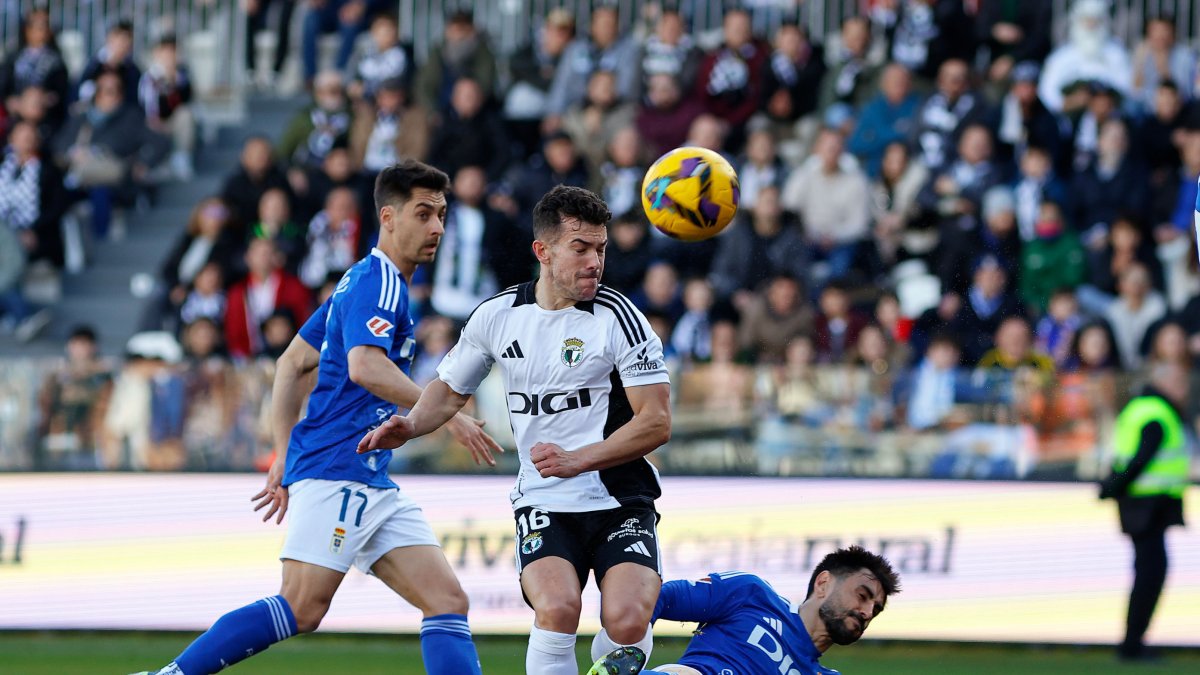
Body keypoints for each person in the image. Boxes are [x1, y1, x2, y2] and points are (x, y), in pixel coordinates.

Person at [132, 161, 499, 675]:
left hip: (368, 475)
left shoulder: (357, 280)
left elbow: (292, 363)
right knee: (301, 607)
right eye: (424, 213)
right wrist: (446, 410)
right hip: (337, 469)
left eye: (441, 214)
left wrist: (283, 452)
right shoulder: (382, 285)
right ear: (389, 217)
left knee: (446, 599)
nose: (437, 227)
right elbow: (363, 364)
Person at [358, 185, 673, 675]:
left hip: (620, 497)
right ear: (542, 252)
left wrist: (579, 459)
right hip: (544, 499)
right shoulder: (497, 315)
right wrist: (413, 424)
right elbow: (449, 387)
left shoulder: (620, 318)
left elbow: (656, 421)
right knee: (558, 608)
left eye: (601, 249)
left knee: (628, 619)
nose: (595, 262)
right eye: (581, 248)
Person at [587, 545, 901, 675]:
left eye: (876, 608)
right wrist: (627, 650)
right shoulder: (752, 595)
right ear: (823, 584)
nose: (867, 611)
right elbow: (659, 598)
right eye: (862, 595)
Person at [1100, 363, 1191, 662]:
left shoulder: (1139, 408)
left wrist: (1112, 487)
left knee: (1148, 572)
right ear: (1163, 382)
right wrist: (1114, 487)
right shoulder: (1157, 413)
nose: (1185, 388)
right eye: (1179, 381)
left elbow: (1123, 456)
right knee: (1150, 574)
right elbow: (1141, 459)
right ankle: (1132, 644)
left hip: (1142, 505)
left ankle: (1133, 642)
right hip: (1148, 506)